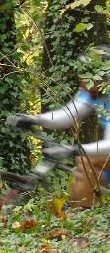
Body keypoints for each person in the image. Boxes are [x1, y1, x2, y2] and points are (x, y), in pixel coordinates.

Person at [7, 44, 110, 207]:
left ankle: (79, 216)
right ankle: (81, 215)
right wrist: (35, 119)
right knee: (87, 169)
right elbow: (68, 114)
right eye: (82, 78)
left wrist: (75, 150)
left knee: (85, 161)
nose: (83, 84)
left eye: (88, 79)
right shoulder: (93, 91)